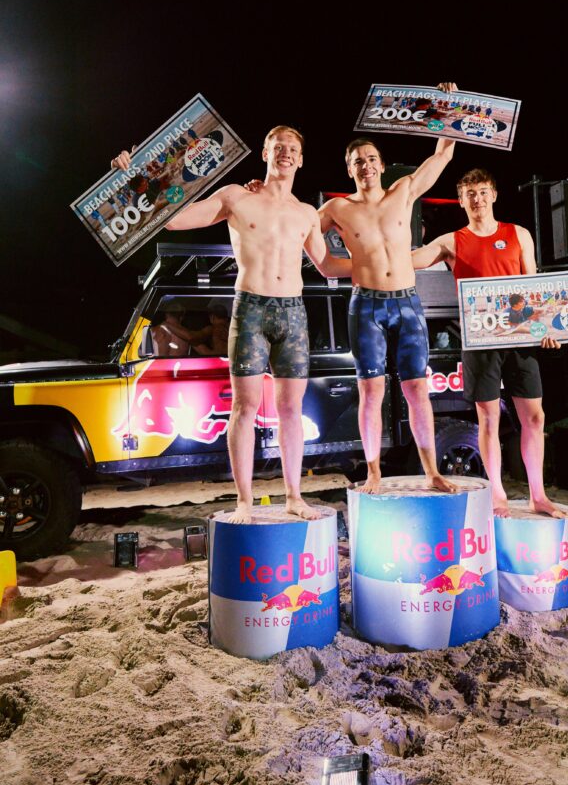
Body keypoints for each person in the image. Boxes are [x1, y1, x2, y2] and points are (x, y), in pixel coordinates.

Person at [111, 126, 349, 524]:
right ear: (265, 153)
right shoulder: (237, 196)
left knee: (291, 409)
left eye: (292, 148)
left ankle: (294, 496)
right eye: (278, 147)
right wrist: (136, 178)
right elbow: (175, 220)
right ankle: (244, 502)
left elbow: (326, 265)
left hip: (292, 312)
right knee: (244, 407)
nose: (286, 153)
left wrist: (380, 264)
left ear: (301, 159)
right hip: (251, 308)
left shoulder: (307, 213)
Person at [318, 87, 460, 495]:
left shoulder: (404, 191)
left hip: (407, 302)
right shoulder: (337, 209)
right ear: (349, 170)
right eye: (357, 162)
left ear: (381, 165)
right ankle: (374, 473)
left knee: (417, 389)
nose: (365, 165)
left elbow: (443, 155)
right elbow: (297, 232)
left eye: (370, 159)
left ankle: (432, 472)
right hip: (366, 305)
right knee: (371, 390)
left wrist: (447, 109)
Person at [411, 167, 568, 518]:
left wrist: (547, 328)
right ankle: (497, 495)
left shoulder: (518, 234)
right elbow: (409, 261)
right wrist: (377, 247)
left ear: (494, 195)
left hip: (520, 338)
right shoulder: (451, 241)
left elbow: (534, 289)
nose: (477, 199)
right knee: (488, 418)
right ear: (461, 200)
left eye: (483, 192)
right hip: (480, 339)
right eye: (470, 193)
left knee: (535, 418)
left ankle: (538, 495)